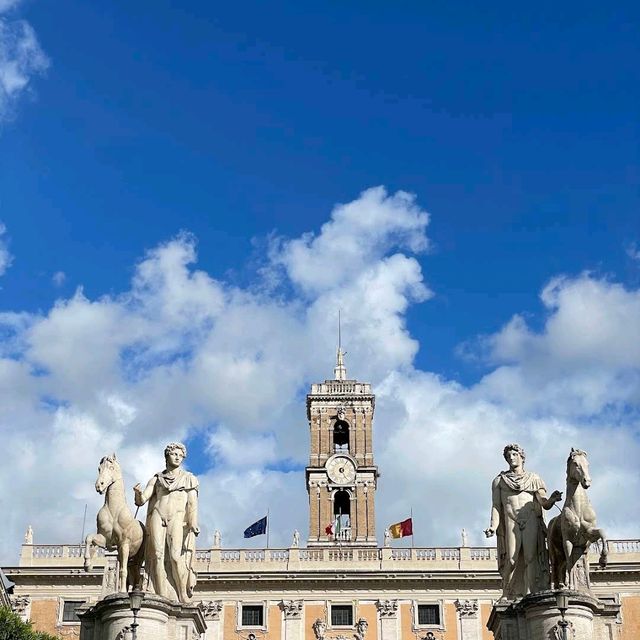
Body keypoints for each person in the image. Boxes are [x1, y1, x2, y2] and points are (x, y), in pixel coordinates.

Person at [484, 443, 562, 599]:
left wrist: (552, 500)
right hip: (511, 521)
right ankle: (507, 592)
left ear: (521, 456)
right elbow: (496, 507)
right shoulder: (499, 481)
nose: (511, 458)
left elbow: (543, 502)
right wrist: (493, 526)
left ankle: (534, 592)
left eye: (514, 454)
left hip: (531, 519)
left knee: (530, 557)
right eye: (508, 456)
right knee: (511, 559)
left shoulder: (534, 479)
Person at [134, 442, 199, 603]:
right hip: (158, 514)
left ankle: (182, 593)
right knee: (156, 555)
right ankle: (161, 596)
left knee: (176, 557)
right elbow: (143, 500)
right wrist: (137, 494)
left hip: (177, 517)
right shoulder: (157, 479)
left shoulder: (189, 478)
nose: (177, 457)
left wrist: (193, 522)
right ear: (167, 456)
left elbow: (192, 503)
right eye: (174, 454)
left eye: (180, 455)